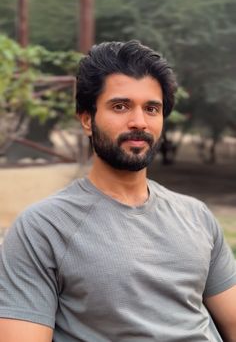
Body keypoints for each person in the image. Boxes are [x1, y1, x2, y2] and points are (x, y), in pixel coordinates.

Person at [0, 40, 236, 342]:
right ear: (87, 119)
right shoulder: (43, 228)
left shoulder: (196, 216)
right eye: (120, 106)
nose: (139, 122)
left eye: (152, 108)